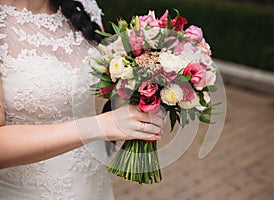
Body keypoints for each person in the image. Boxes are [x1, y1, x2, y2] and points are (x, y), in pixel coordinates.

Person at [0, 0, 164, 199]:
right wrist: (100, 125)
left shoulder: (85, 7)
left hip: (96, 188)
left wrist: (150, 79)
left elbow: (104, 86)